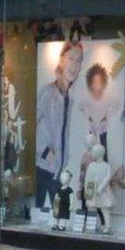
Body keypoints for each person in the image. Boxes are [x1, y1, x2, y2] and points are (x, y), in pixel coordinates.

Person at [35, 41, 83, 209]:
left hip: (58, 169)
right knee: (39, 214)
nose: (74, 65)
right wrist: (45, 151)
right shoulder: (48, 92)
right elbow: (30, 124)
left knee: (59, 216)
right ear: (62, 60)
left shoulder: (69, 97)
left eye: (79, 61)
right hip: (42, 168)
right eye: (71, 59)